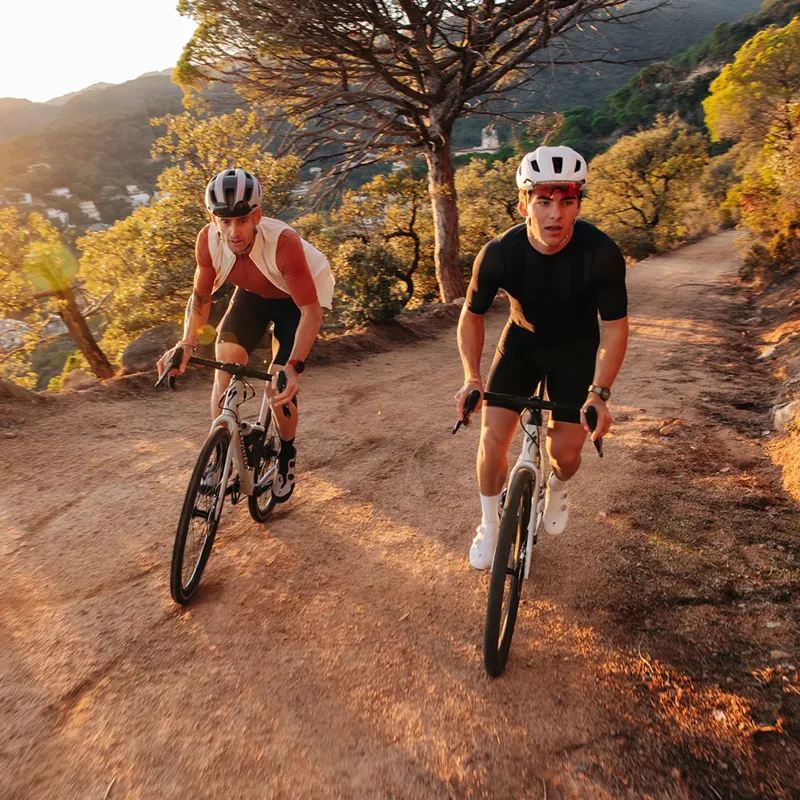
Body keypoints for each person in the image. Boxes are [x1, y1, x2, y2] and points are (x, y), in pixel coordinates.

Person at [455, 145, 629, 569]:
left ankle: (558, 487)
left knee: (566, 454)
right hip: (522, 345)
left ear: (578, 204)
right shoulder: (499, 253)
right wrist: (472, 378)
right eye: (544, 201)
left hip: (576, 350)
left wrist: (599, 393)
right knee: (492, 439)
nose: (556, 214)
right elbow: (471, 316)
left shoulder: (601, 253)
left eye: (567, 201)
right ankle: (490, 526)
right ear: (523, 205)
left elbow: (614, 327)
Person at [157, 168, 334, 503]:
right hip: (252, 296)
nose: (233, 231)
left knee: (276, 386)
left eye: (241, 221)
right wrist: (186, 343)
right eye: (224, 222)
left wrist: (292, 367)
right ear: (213, 219)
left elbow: (311, 314)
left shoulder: (284, 244)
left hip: (293, 302)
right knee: (224, 366)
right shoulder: (208, 241)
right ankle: (221, 448)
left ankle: (285, 453)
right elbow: (201, 299)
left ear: (257, 216)